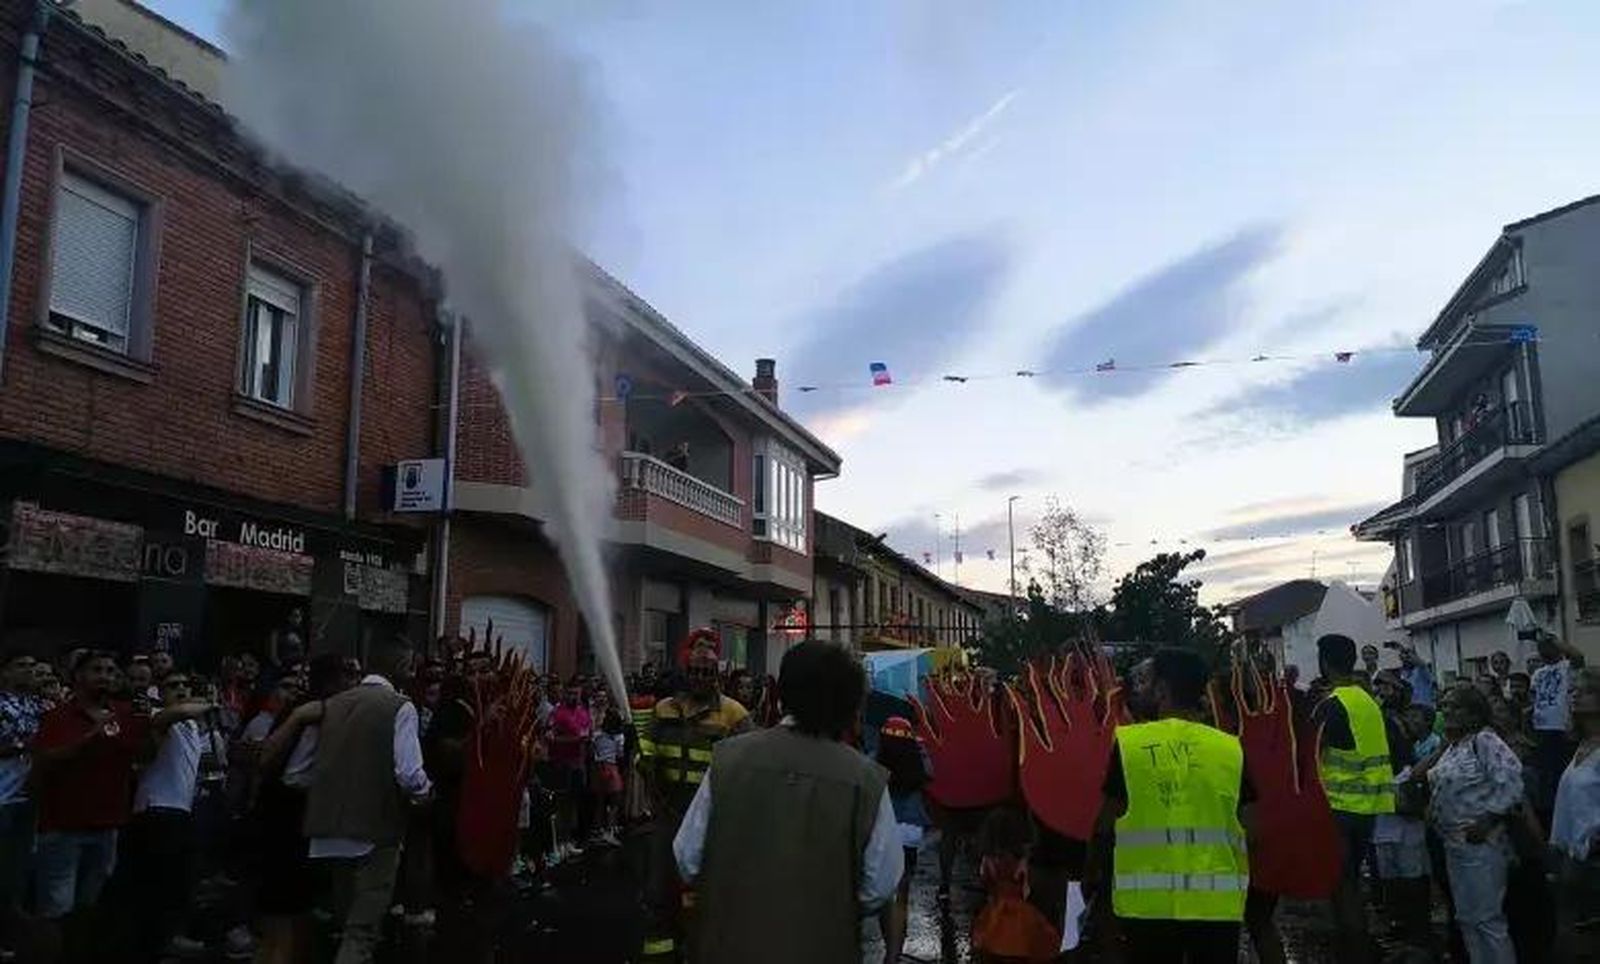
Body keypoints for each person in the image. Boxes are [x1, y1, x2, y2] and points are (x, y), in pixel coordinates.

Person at [673, 641, 900, 964]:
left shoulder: (728, 759)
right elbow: (879, 885)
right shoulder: (866, 780)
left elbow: (688, 857)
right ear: (849, 704)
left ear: (784, 694)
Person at [1092, 647, 1251, 964]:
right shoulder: (1229, 749)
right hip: (1216, 907)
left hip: (1147, 908)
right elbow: (1253, 826)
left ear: (1163, 690)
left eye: (1148, 682)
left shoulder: (1130, 745)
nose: (1142, 689)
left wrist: (1092, 879)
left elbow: (1104, 826)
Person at [302, 644, 432, 964]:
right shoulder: (400, 706)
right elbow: (409, 773)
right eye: (411, 666)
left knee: (346, 919)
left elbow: (298, 771)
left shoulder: (332, 704)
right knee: (361, 930)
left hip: (330, 828)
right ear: (401, 666)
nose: (414, 673)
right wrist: (426, 792)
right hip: (376, 828)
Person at [639, 629, 750, 963]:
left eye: (708, 673)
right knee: (659, 893)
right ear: (685, 672)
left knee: (706, 896)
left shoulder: (735, 714)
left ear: (717, 675)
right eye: (695, 672)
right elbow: (646, 746)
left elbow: (748, 766)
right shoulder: (663, 709)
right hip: (668, 813)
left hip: (710, 820)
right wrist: (642, 759)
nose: (701, 679)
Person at [31, 650, 151, 961]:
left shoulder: (124, 715)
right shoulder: (58, 716)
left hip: (107, 825)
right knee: (56, 910)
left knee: (89, 908)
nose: (105, 676)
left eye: (111, 670)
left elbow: (142, 755)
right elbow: (44, 759)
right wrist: (90, 737)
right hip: (62, 827)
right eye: (97, 670)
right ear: (79, 676)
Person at [113, 671, 224, 960]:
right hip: (156, 809)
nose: (182, 689)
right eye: (173, 686)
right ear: (159, 693)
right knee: (159, 884)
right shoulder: (160, 717)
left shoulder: (191, 727)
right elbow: (178, 712)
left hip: (180, 810)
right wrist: (209, 702)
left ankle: (167, 939)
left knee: (177, 881)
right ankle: (153, 943)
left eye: (186, 684)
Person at [1421, 683, 1523, 964]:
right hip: (1455, 845)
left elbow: (1512, 781)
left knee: (1488, 919)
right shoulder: (1454, 747)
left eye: (1455, 706)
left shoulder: (1485, 741)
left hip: (1483, 844)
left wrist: (1488, 819)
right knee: (1467, 919)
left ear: (1473, 713)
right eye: (1445, 706)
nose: (1448, 711)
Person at [1313, 633, 1395, 964]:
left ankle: (1355, 952)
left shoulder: (1331, 705)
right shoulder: (1368, 701)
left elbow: (1310, 756)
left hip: (1339, 807)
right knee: (1351, 882)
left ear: (1325, 663)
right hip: (1369, 808)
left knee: (1342, 886)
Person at [1551, 665, 1600, 963]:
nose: (1576, 696)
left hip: (1594, 860)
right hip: (1572, 858)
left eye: (1586, 691)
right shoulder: (1582, 746)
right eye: (1574, 691)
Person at [875, 715, 931, 964]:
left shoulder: (875, 761)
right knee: (902, 894)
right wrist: (920, 747)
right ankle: (894, 954)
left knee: (884, 893)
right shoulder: (918, 762)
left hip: (884, 828)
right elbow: (931, 772)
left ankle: (889, 942)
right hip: (910, 831)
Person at [971, 807, 1060, 963]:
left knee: (994, 947)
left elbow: (985, 882)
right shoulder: (1022, 861)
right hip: (1021, 912)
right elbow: (1027, 889)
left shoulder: (988, 860)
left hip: (996, 912)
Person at [0, 651, 42, 957]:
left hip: (26, 798)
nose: (29, 671)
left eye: (32, 666)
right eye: (21, 666)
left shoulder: (37, 705)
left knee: (15, 872)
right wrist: (21, 745)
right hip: (1, 796)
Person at [1530, 632, 1586, 825]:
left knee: (1563, 776)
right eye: (1540, 646)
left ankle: (1570, 817)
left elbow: (1578, 656)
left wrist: (1553, 640)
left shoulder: (1567, 667)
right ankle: (1551, 819)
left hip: (1562, 730)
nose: (1543, 649)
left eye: (1547, 646)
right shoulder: (1537, 673)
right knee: (1547, 780)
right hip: (1541, 730)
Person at [549, 681, 594, 851]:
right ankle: (560, 841)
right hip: (562, 764)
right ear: (565, 694)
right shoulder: (557, 713)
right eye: (570, 693)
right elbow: (550, 738)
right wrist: (574, 740)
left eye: (576, 693)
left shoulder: (583, 712)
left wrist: (588, 741)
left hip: (580, 764)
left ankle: (570, 839)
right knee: (562, 803)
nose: (573, 697)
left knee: (576, 803)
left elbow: (588, 732)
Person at [591, 707, 626, 845]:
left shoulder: (597, 734)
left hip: (597, 767)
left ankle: (598, 829)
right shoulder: (618, 737)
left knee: (599, 801)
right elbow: (620, 754)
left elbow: (592, 749)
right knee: (615, 800)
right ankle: (609, 831)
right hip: (611, 768)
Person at [1398, 643, 1437, 709]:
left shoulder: (1421, 671)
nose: (1406, 660)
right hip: (1411, 711)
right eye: (1402, 658)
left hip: (1425, 709)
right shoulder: (1402, 674)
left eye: (1408, 658)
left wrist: (1409, 653)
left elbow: (1420, 664)